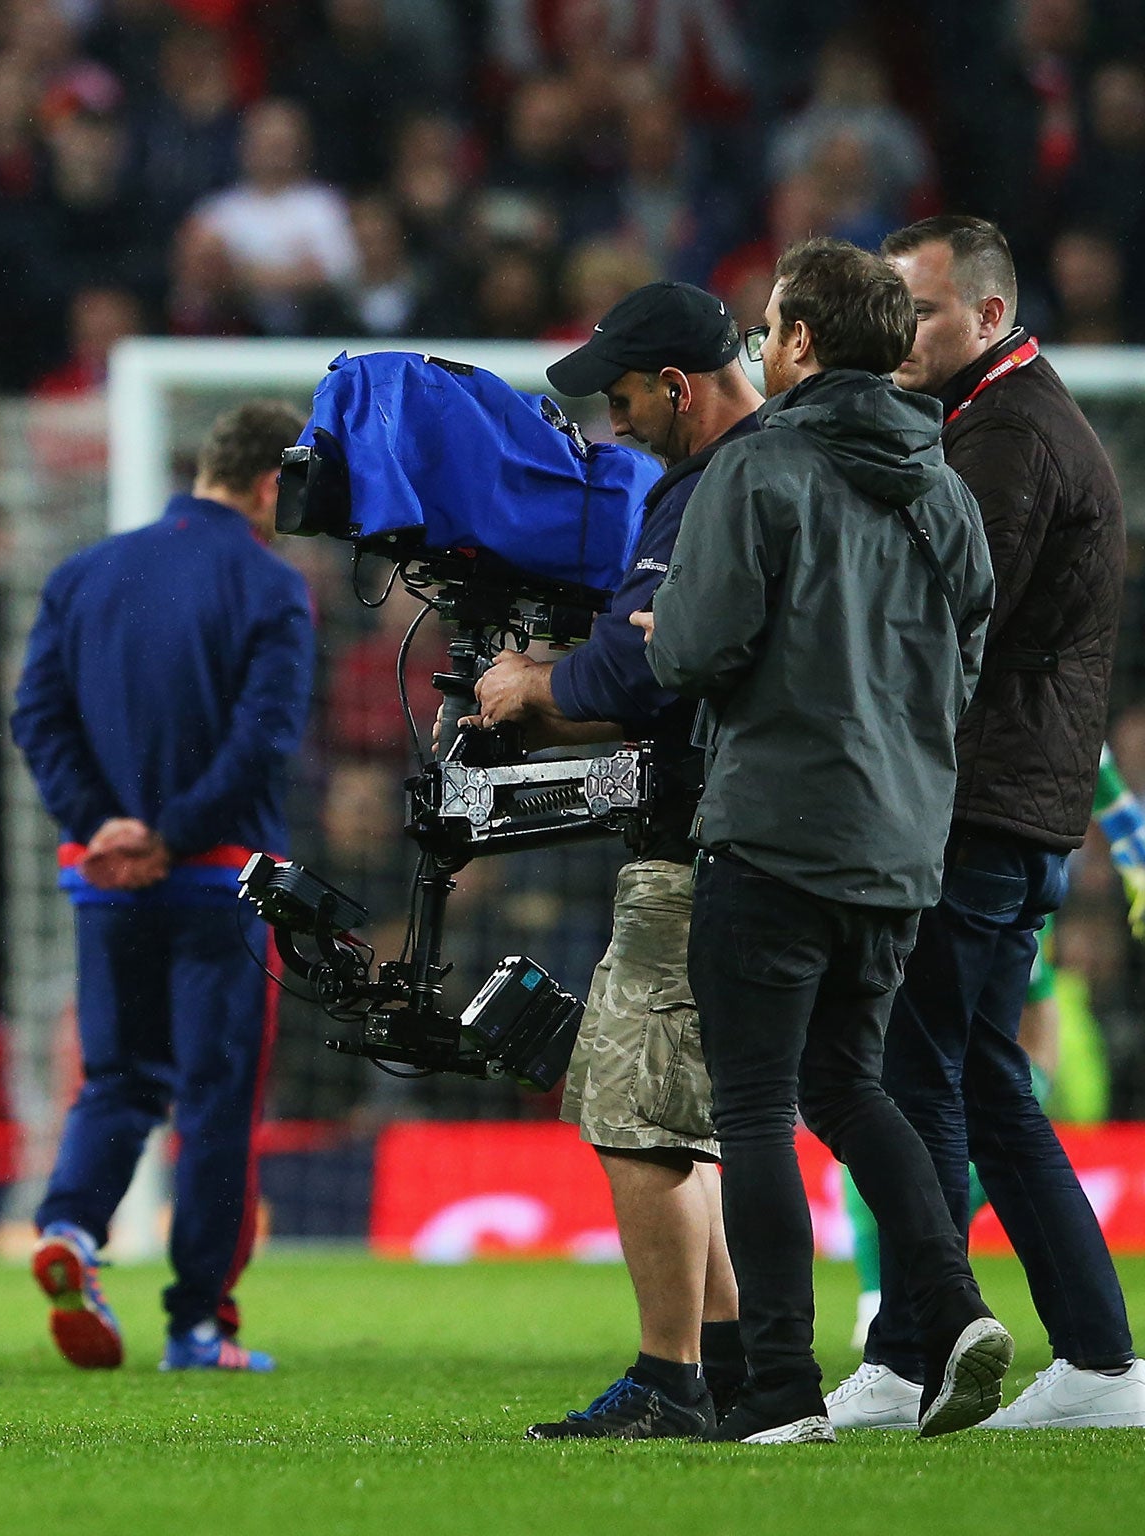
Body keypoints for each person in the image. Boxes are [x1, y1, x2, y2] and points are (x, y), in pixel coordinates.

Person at [644, 237, 1006, 1443]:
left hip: (775, 828)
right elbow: (963, 665)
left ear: (799, 341)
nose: (755, 340)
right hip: (901, 842)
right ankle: (953, 1310)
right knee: (849, 1087)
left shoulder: (763, 469)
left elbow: (690, 652)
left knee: (751, 1110)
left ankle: (782, 1391)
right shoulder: (945, 484)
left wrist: (664, 631)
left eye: (766, 323)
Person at [825, 215, 1144, 1431]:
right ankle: (1093, 1361)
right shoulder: (1003, 418)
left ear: (989, 316)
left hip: (977, 804)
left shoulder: (1007, 436)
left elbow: (953, 621)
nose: (900, 329)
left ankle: (913, 1353)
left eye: (918, 307)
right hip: (1013, 805)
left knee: (917, 1077)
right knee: (974, 1079)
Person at [467, 282, 762, 1440]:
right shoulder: (789, 467)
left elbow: (645, 673)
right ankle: (729, 1363)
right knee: (676, 1112)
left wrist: (531, 685)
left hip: (701, 836)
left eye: (626, 396)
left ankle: (669, 1378)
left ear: (678, 385)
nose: (616, 421)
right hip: (788, 829)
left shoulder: (707, 491)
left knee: (634, 1109)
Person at [11, 400, 313, 1373]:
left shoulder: (83, 574)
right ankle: (195, 1327)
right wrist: (172, 834)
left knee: (116, 1079)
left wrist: (103, 827)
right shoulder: (269, 586)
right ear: (270, 481)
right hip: (218, 879)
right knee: (216, 1103)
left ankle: (69, 1227)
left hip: (103, 883)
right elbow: (261, 740)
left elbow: (37, 719)